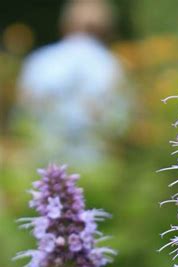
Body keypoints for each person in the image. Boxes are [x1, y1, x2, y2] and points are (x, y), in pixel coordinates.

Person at [16, 0, 130, 166]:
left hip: (43, 161)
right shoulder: (113, 65)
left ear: (65, 26)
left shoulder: (41, 60)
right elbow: (121, 122)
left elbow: (23, 112)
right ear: (105, 30)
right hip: (97, 166)